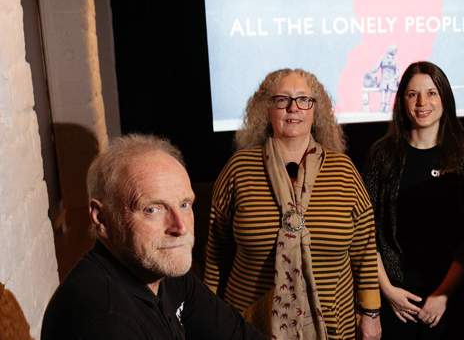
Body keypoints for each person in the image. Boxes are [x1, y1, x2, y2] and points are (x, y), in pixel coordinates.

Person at [204, 69, 381, 340]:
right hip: (251, 324)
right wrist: (209, 317)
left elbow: (365, 250)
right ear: (267, 109)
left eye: (303, 99)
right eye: (282, 99)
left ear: (315, 111)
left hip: (332, 324)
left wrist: (370, 314)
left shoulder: (343, 171)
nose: (293, 107)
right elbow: (217, 253)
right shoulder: (238, 170)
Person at [41, 134, 267, 340]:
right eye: (152, 209)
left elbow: (239, 336)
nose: (180, 227)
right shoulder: (107, 321)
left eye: (184, 204)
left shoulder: (163, 269)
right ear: (102, 218)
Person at [363, 61, 464, 339]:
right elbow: (365, 229)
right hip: (395, 297)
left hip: (447, 295)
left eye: (431, 93)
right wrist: (387, 290)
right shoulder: (382, 154)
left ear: (444, 97)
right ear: (402, 101)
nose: (422, 102)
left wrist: (443, 294)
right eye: (412, 94)